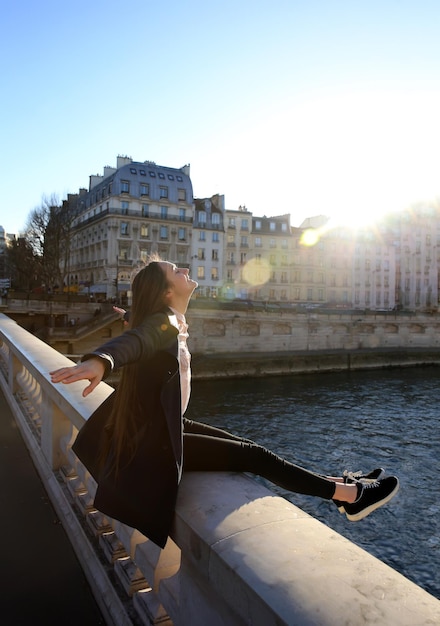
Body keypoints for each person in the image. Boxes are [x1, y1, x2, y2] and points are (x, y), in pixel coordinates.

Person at [50, 257, 399, 549]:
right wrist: (101, 360)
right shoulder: (164, 323)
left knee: (248, 446)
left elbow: (139, 333)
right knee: (256, 457)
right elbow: (135, 341)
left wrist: (130, 316)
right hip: (153, 445)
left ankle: (338, 483)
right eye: (177, 271)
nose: (185, 270)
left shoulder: (167, 322)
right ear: (167, 291)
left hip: (161, 423)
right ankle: (351, 497)